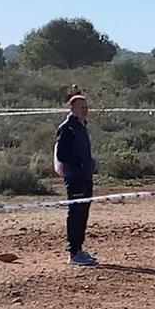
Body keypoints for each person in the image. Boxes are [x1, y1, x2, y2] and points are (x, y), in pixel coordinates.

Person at [54, 95, 98, 266]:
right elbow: (62, 155)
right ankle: (73, 253)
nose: (85, 110)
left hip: (86, 176)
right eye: (81, 107)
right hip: (75, 177)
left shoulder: (82, 126)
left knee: (83, 212)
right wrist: (79, 165)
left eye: (86, 107)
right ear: (72, 109)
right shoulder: (67, 128)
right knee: (76, 213)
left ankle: (79, 249)